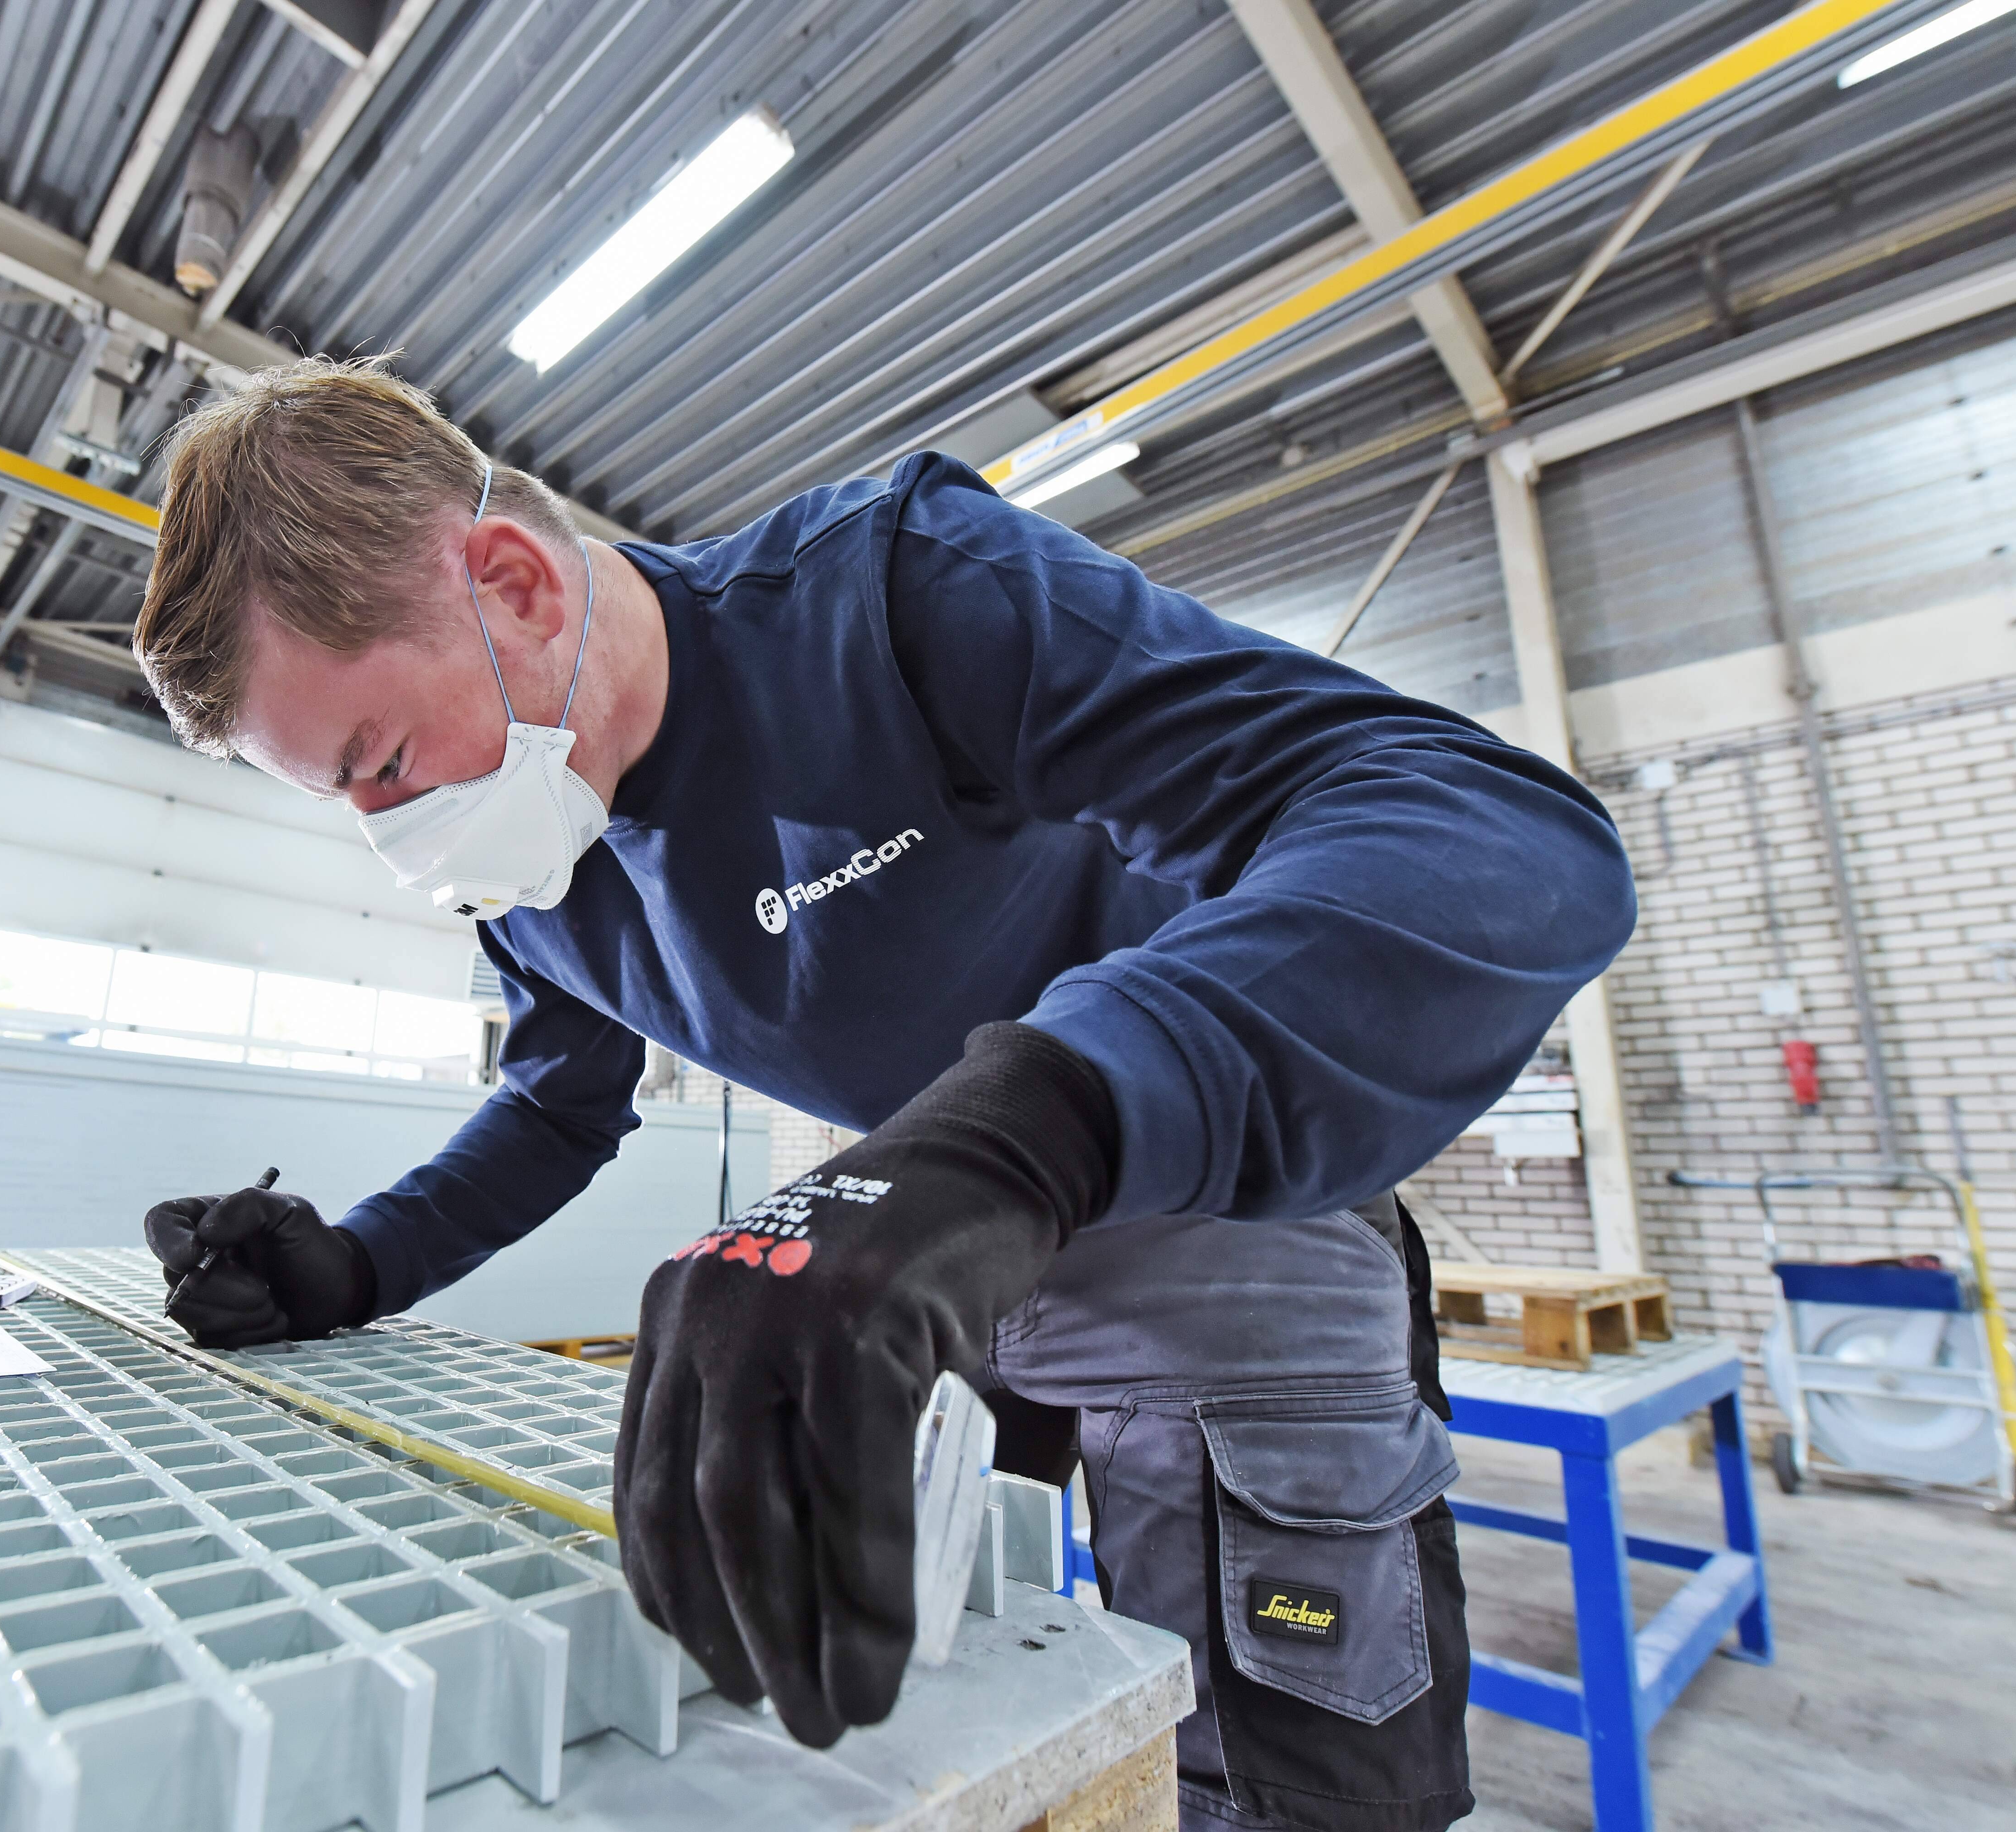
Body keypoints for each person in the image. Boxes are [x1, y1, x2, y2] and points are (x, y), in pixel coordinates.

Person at [131, 356, 1633, 1832]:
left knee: (1271, 1785)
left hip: (1208, 1195)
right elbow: (555, 1107)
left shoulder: (889, 598)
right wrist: (363, 1261)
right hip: (930, 1251)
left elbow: (1493, 834)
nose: (399, 841)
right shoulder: (537, 862)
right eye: (348, 803)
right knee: (905, 1731)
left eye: (384, 764)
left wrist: (1029, 1128)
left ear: (513, 585)